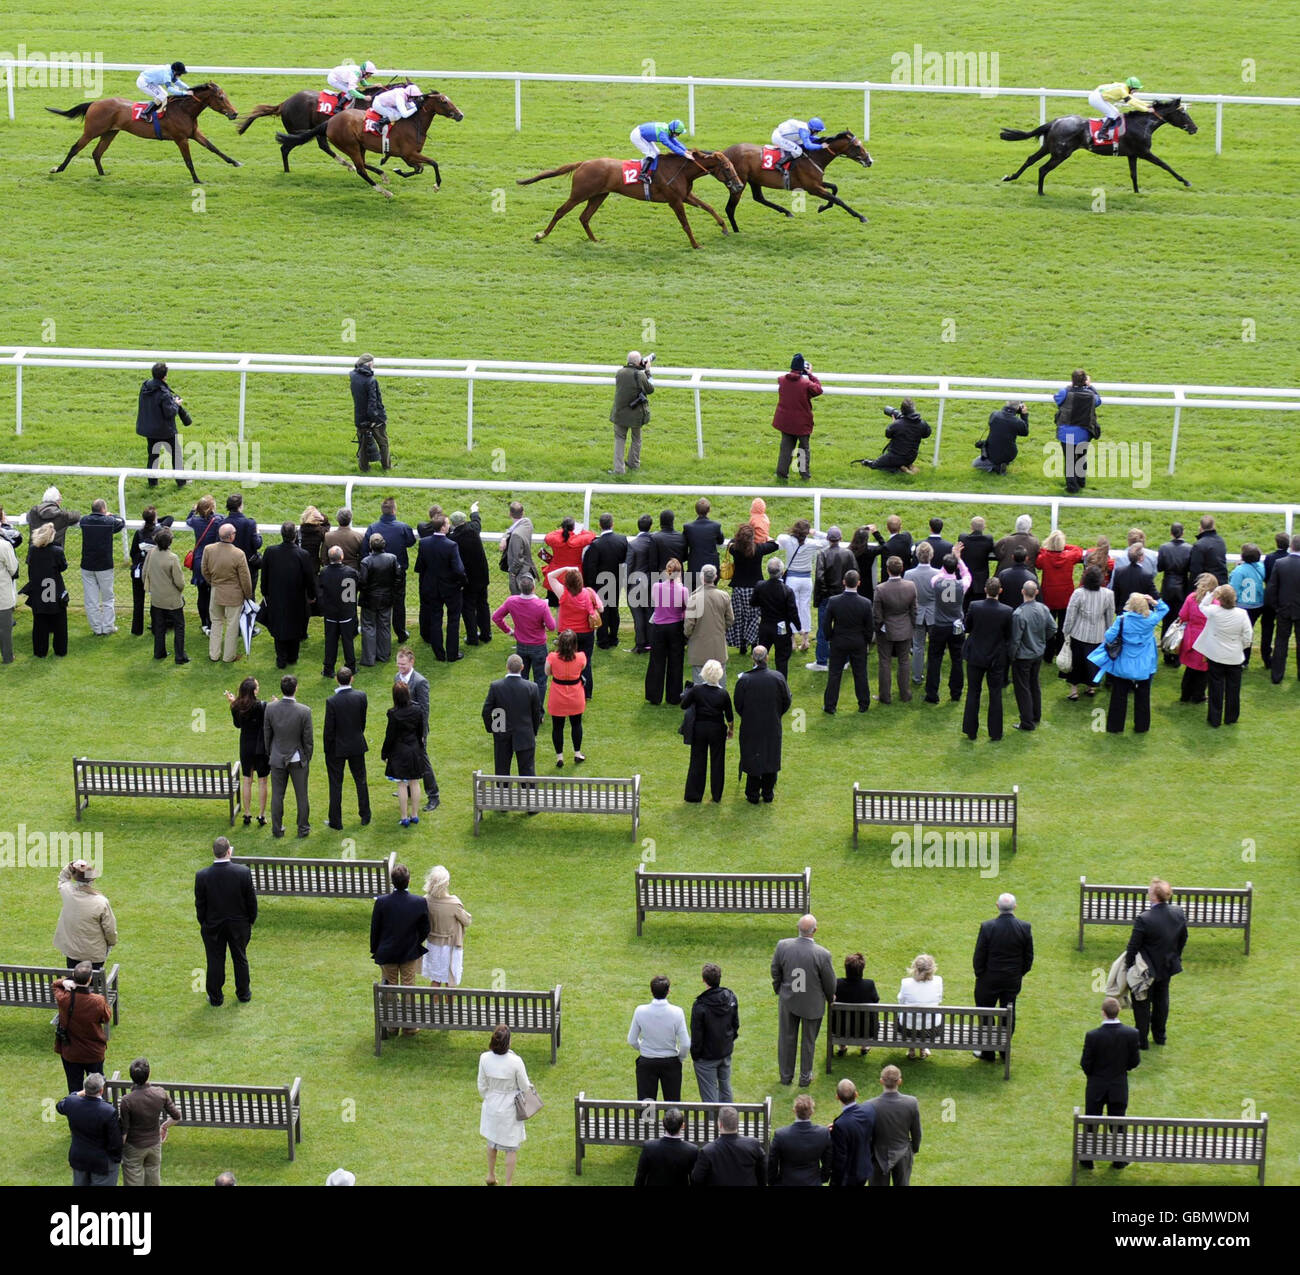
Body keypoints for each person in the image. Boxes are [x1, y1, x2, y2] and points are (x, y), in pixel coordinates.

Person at [1087, 594, 1170, 734]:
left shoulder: (1122, 620)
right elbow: (1164, 609)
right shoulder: (1150, 620)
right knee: (1143, 696)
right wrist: (1153, 601)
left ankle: (1115, 727)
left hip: (1123, 664)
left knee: (1119, 696)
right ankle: (1142, 727)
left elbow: (1109, 636)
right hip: (1144, 665)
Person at [771, 914, 836, 1087]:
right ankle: (805, 1077)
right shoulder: (822, 954)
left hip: (788, 1000)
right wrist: (831, 998)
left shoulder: (783, 946)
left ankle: (785, 1077)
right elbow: (830, 982)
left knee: (786, 1038)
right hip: (812, 1004)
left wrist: (779, 988)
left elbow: (775, 970)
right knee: (808, 1042)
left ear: (798, 928)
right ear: (815, 930)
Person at [1077, 997, 1142, 1170]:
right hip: (1118, 1085)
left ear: (1103, 1013)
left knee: (1092, 1121)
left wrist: (1094, 1076)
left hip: (1096, 1085)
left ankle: (1087, 1159)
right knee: (1118, 1123)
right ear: (1119, 1010)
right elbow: (1134, 1062)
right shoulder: (1131, 1034)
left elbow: (1085, 1063)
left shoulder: (1093, 1036)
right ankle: (1118, 1159)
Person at [1124, 878, 1188, 1050]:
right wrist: (1176, 956)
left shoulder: (1144, 919)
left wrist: (1127, 967)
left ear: (1153, 896)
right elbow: (1183, 938)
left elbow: (1133, 946)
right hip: (1167, 966)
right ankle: (1160, 1036)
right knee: (1162, 1001)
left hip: (1146, 969)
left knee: (1142, 1003)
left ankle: (1142, 1041)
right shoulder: (1178, 913)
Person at [194, 836, 257, 1005]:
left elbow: (200, 905)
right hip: (239, 925)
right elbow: (251, 901)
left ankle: (215, 997)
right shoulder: (243, 872)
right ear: (229, 851)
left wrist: (205, 923)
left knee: (215, 960)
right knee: (240, 958)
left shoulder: (202, 876)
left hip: (213, 926)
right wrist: (250, 920)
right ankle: (243, 994)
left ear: (214, 852)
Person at [972, 893, 1034, 1062]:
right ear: (1015, 907)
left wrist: (980, 974)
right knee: (1009, 1012)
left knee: (986, 1014)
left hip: (988, 979)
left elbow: (979, 955)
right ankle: (1005, 1049)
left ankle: (988, 1051)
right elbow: (1028, 958)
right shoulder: (1024, 927)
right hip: (1011, 980)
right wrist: (1018, 974)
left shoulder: (988, 927)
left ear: (997, 906)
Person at [369, 862, 429, 1016]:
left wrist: (375, 949)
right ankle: (409, 1025)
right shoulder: (419, 902)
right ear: (408, 881)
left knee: (390, 986)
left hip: (387, 952)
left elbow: (375, 928)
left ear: (392, 881)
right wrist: (416, 942)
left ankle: (392, 1025)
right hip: (409, 952)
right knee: (408, 987)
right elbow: (425, 929)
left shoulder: (381, 902)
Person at [734, 646, 791, 804]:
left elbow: (738, 704)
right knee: (770, 755)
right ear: (767, 658)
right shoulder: (778, 677)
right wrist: (776, 714)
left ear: (753, 658)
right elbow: (787, 700)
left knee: (752, 755)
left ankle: (752, 793)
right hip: (772, 723)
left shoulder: (745, 679)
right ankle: (767, 792)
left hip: (751, 724)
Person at [1193, 584, 1254, 727]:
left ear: (1220, 599)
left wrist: (1213, 594)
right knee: (1234, 688)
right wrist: (1241, 647)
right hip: (1234, 656)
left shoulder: (1214, 611)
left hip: (1216, 655)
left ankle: (1215, 718)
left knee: (1215, 687)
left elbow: (1202, 605)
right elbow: (1248, 635)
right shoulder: (1241, 614)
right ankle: (1231, 717)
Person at [478, 1025, 531, 1186]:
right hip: (510, 1107)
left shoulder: (484, 1058)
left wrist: (490, 1097)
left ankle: (491, 1175)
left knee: (492, 1142)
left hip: (492, 1104)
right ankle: (508, 1183)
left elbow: (481, 1085)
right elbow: (525, 1086)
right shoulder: (515, 1061)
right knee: (511, 1147)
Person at [117, 1057, 182, 1187]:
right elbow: (177, 1116)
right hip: (154, 1146)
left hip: (134, 1147)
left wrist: (118, 1150)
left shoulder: (127, 1101)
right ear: (149, 1073)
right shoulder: (160, 1093)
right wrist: (164, 1126)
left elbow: (124, 1131)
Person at [260, 522, 316, 669]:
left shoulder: (271, 552)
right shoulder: (302, 554)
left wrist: (265, 592)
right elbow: (309, 578)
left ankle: (282, 658)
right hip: (296, 597)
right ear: (295, 535)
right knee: (295, 624)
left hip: (276, 596)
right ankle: (292, 656)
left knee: (279, 625)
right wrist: (312, 595)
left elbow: (264, 575)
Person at [492, 574, 556, 702]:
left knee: (521, 679)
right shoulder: (541, 605)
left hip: (521, 646)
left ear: (520, 588)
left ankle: (524, 708)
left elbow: (496, 617)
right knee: (540, 681)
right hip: (539, 647)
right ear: (533, 588)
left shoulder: (511, 601)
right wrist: (542, 623)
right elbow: (552, 626)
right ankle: (538, 712)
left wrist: (509, 631)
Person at [264, 673, 313, 837]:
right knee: (302, 795)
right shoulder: (304, 711)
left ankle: (277, 829)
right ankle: (303, 829)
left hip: (277, 757)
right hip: (298, 758)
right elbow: (308, 740)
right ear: (296, 688)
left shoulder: (270, 708)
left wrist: (270, 753)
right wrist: (307, 757)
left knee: (277, 795)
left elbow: (267, 734)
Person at [628, 974, 690, 1101]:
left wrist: (643, 1049)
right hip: (671, 1062)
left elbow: (632, 1040)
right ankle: (671, 1122)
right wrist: (680, 1057)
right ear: (668, 991)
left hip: (647, 1062)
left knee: (647, 1108)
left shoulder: (640, 1011)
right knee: (672, 1105)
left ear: (651, 991)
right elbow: (685, 1044)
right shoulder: (677, 1012)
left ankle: (647, 1122)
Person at [53, 962, 111, 1093]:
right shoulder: (98, 1001)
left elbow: (55, 985)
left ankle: (77, 1112)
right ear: (90, 979)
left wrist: (64, 982)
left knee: (74, 1089)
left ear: (73, 976)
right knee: (97, 1088)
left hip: (71, 1052)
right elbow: (106, 1018)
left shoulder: (63, 998)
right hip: (93, 1052)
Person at [679, 658, 733, 803]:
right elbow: (729, 716)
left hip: (700, 729)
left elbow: (683, 705)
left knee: (697, 761)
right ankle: (716, 795)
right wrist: (731, 730)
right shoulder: (723, 694)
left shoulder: (697, 690)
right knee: (717, 762)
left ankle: (694, 795)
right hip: (717, 729)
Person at [415, 514, 467, 662]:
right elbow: (458, 569)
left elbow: (420, 566)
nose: (449, 526)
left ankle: (439, 654)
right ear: (443, 527)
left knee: (435, 619)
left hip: (432, 587)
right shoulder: (451, 545)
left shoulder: (424, 543)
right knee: (453, 620)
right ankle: (452, 653)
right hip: (450, 588)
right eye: (448, 524)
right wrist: (462, 582)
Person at [482, 653, 543, 778]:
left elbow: (486, 711)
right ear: (522, 667)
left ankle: (503, 796)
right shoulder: (532, 687)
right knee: (527, 772)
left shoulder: (496, 686)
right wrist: (533, 731)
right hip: (525, 733)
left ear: (507, 667)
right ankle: (528, 796)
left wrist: (493, 728)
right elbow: (536, 713)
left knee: (501, 771)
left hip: (501, 732)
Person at [323, 666, 370, 828]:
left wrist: (327, 750)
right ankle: (365, 816)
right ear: (352, 679)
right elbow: (362, 722)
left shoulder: (332, 701)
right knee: (361, 781)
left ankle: (336, 821)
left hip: (337, 748)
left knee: (336, 784)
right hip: (356, 744)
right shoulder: (361, 696)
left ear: (336, 679)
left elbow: (328, 729)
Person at [546, 567, 603, 699]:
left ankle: (565, 688)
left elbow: (550, 576)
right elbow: (601, 608)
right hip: (586, 633)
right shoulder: (589, 593)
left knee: (565, 660)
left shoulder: (563, 593)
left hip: (567, 634)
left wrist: (566, 568)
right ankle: (587, 692)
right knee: (586, 662)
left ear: (566, 582)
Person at [56, 1074, 121, 1187]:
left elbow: (60, 1105)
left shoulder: (72, 1102)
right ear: (101, 1091)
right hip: (101, 1162)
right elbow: (114, 1142)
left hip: (79, 1158)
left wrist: (79, 1093)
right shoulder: (108, 1111)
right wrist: (116, 1159)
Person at [823, 568, 873, 714]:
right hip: (858, 641)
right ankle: (864, 703)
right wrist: (866, 641)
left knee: (834, 673)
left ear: (844, 582)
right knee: (860, 673)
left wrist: (829, 637)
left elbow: (826, 623)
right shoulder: (865, 603)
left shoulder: (834, 601)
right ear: (858, 583)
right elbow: (870, 626)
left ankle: (830, 705)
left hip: (839, 640)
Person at [201, 522, 253, 663]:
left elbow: (204, 571)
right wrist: (248, 595)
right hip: (233, 594)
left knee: (216, 622)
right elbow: (245, 578)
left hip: (216, 591)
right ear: (231, 536)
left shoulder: (209, 549)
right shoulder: (238, 554)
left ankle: (214, 654)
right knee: (232, 625)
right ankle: (228, 656)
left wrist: (213, 583)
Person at [365, 498, 416, 641]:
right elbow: (411, 542)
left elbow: (364, 549)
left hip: (377, 573)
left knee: (379, 602)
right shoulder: (403, 527)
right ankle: (400, 633)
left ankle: (378, 632)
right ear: (394, 510)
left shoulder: (373, 528)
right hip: (397, 573)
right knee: (399, 603)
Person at [1061, 566, 1115, 700]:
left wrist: (1066, 631)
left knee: (1076, 663)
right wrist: (1109, 633)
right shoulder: (1108, 594)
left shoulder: (1078, 593)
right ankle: (1090, 687)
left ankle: (1074, 691)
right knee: (1093, 663)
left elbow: (1070, 614)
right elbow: (1109, 616)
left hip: (1079, 634)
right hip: (1098, 635)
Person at [1009, 580, 1057, 731]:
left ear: (1022, 592)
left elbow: (1015, 639)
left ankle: (1027, 722)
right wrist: (1042, 642)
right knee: (1034, 685)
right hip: (1038, 653)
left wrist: (1011, 656)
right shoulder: (1043, 608)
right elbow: (1053, 628)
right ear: (1036, 592)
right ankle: (1036, 715)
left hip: (1023, 657)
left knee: (1023, 689)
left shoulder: (1018, 614)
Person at [726, 522, 779, 655]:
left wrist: (737, 538)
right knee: (754, 617)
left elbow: (731, 542)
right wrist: (766, 536)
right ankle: (753, 643)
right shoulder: (759, 549)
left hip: (738, 588)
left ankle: (742, 644)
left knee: (740, 617)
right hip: (755, 589)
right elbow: (775, 545)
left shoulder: (734, 549)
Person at [54, 859, 117, 970]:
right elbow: (110, 930)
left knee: (75, 982)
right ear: (92, 879)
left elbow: (63, 878)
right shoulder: (101, 902)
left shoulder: (68, 892)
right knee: (91, 984)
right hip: (94, 955)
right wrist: (111, 944)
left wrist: (72, 865)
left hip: (72, 952)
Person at [690, 963, 740, 1104]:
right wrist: (728, 1042)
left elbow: (697, 1035)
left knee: (709, 1096)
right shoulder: (730, 997)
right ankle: (728, 1122)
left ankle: (713, 1124)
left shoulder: (700, 1006)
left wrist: (696, 1055)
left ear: (704, 980)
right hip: (724, 1052)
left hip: (707, 1058)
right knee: (725, 1088)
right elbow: (735, 1024)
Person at [926, 550, 970, 703]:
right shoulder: (961, 584)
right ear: (955, 568)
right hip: (956, 627)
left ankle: (932, 694)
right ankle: (956, 693)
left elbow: (939, 575)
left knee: (934, 660)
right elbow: (967, 574)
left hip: (939, 626)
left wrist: (949, 565)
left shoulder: (936, 582)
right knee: (957, 660)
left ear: (943, 567)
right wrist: (959, 560)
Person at [867, 1065, 923, 1187]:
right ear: (899, 1081)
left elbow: (867, 1135)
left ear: (881, 1081)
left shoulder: (869, 1105)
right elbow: (916, 1131)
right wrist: (913, 1149)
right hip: (903, 1153)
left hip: (877, 1156)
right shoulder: (911, 1102)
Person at [225, 677, 269, 826]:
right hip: (260, 746)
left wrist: (232, 703)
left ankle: (247, 813)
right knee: (262, 781)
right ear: (254, 690)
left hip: (246, 746)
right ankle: (262, 815)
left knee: (247, 779)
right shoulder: (262, 706)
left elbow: (238, 725)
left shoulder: (237, 707)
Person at [809, 526, 855, 671]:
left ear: (828, 539)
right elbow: (854, 574)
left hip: (828, 598)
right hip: (843, 596)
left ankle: (821, 661)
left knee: (823, 630)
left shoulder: (823, 554)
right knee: (843, 629)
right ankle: (844, 660)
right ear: (840, 539)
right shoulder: (848, 554)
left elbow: (820, 577)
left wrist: (824, 594)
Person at [874, 555, 918, 704]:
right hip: (905, 629)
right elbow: (914, 610)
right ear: (902, 569)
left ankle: (885, 696)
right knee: (904, 661)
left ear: (887, 570)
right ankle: (905, 694)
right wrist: (911, 625)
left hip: (887, 630)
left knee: (885, 662)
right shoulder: (910, 586)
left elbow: (877, 614)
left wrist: (880, 627)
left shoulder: (881, 589)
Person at [78, 498, 126, 636]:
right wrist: (112, 516)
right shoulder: (108, 521)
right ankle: (108, 626)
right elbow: (121, 522)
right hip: (104, 565)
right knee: (108, 598)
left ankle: (97, 628)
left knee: (91, 599)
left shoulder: (85, 521)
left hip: (87, 565)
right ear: (103, 510)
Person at [382, 681, 426, 826]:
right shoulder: (418, 709)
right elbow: (421, 730)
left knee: (401, 784)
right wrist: (420, 746)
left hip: (399, 751)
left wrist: (384, 753)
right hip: (414, 749)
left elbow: (390, 736)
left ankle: (404, 817)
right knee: (414, 782)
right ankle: (415, 814)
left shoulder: (393, 714)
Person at [1037, 530, 1084, 665]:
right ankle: (1060, 651)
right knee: (1063, 625)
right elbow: (1078, 550)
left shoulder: (1044, 557)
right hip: (1065, 596)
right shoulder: (1069, 557)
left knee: (1048, 626)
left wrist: (1049, 549)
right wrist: (1064, 546)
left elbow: (1038, 561)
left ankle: (1048, 654)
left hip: (1049, 596)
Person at [772, 353, 823, 480]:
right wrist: (810, 374)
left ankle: (781, 474)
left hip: (785, 421)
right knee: (803, 449)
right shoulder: (806, 384)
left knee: (786, 448)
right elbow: (818, 390)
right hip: (802, 423)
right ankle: (804, 474)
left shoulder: (782, 380)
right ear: (802, 369)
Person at [646, 557, 689, 706]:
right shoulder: (683, 590)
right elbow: (686, 608)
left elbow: (654, 602)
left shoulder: (656, 587)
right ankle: (674, 696)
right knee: (675, 662)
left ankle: (654, 695)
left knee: (656, 661)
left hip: (658, 627)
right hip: (675, 627)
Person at [23, 522, 70, 658]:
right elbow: (63, 567)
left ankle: (40, 651)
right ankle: (60, 650)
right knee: (60, 622)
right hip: (54, 589)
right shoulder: (57, 551)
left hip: (38, 589)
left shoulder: (32, 550)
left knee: (39, 622)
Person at [778, 518, 825, 653]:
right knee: (804, 608)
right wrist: (815, 532)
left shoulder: (788, 540)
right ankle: (805, 640)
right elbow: (829, 539)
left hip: (792, 578)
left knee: (791, 608)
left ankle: (792, 641)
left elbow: (780, 537)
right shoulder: (811, 543)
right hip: (806, 579)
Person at [141, 526, 187, 663]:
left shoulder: (151, 553)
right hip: (172, 599)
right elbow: (180, 582)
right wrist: (179, 591)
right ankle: (180, 656)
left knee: (159, 626)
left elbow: (144, 573)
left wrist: (151, 588)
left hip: (156, 597)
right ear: (170, 543)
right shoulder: (172, 558)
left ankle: (159, 652)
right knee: (179, 626)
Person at [684, 564, 734, 686]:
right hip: (718, 645)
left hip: (699, 645)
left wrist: (689, 634)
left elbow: (689, 626)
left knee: (699, 682)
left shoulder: (694, 598)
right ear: (715, 577)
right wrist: (720, 628)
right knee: (720, 680)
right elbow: (730, 619)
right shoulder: (724, 596)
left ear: (702, 577)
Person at [449, 505, 492, 647]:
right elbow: (476, 520)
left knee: (468, 608)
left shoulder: (453, 538)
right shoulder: (473, 528)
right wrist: (474, 510)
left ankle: (472, 637)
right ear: (464, 521)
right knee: (483, 604)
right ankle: (486, 634)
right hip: (482, 576)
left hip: (468, 579)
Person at [691, 1106, 767, 1186]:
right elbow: (762, 1171)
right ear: (737, 1124)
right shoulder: (753, 1144)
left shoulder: (707, 1151)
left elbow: (696, 1178)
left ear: (720, 1124)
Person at [423, 865, 471, 989]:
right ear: (446, 883)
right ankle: (449, 1009)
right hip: (450, 946)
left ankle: (434, 1008)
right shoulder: (453, 903)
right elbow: (467, 921)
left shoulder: (426, 901)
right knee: (451, 980)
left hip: (433, 944)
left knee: (435, 979)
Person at [753, 556, 801, 679]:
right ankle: (782, 684)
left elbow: (753, 602)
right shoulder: (787, 590)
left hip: (765, 626)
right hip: (781, 627)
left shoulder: (760, 586)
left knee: (760, 656)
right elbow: (792, 612)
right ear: (782, 572)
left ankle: (757, 680)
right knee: (782, 659)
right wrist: (798, 627)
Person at [768, 1095, 831, 1186]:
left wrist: (772, 1181)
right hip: (813, 1182)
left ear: (794, 1111)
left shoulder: (781, 1135)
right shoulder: (823, 1133)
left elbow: (772, 1163)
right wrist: (822, 1178)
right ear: (812, 1112)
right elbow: (828, 1161)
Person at [358, 532, 402, 666]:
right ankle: (383, 655)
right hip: (386, 598)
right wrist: (392, 592)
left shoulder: (366, 561)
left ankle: (369, 659)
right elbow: (398, 578)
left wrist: (366, 592)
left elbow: (362, 582)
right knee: (384, 626)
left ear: (370, 546)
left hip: (369, 599)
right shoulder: (392, 558)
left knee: (368, 627)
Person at [1054, 369, 1101, 493]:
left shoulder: (1065, 392)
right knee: (1081, 458)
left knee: (1070, 460)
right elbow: (1098, 401)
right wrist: (1090, 387)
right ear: (1085, 381)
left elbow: (1057, 399)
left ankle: (1072, 487)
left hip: (1067, 433)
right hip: (1084, 432)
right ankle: (1081, 482)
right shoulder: (1091, 395)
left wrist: (1069, 386)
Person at [546, 628, 588, 767]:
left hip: (557, 694)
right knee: (576, 724)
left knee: (557, 727)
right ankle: (577, 753)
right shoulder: (581, 656)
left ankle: (560, 757)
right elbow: (582, 668)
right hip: (576, 693)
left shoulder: (552, 657)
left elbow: (547, 672)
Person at [856, 399, 931, 473]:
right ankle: (906, 465)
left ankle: (900, 470)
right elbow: (926, 434)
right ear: (913, 410)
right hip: (911, 457)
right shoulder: (922, 423)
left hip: (895, 457)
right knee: (897, 460)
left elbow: (888, 435)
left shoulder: (897, 424)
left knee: (875, 465)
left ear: (902, 410)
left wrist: (894, 423)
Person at [1177, 573, 1218, 703]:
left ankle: (1185, 695)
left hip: (1191, 637)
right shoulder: (1215, 603)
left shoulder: (1191, 598)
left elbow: (1183, 615)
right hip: (1206, 638)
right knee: (1203, 670)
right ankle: (1198, 696)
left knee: (1190, 668)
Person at [609, 351, 653, 474]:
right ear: (639, 362)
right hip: (636, 413)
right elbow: (650, 389)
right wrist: (647, 371)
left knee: (619, 439)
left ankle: (619, 469)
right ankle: (634, 463)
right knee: (636, 438)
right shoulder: (640, 375)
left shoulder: (619, 373)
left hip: (620, 412)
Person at [828, 1078, 875, 1188]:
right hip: (865, 1168)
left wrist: (834, 1182)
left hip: (850, 1176)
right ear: (856, 1094)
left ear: (837, 1097)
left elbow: (840, 1158)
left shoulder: (840, 1125)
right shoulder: (869, 1109)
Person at [634, 1108, 699, 1186]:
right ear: (683, 1126)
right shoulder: (691, 1150)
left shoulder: (649, 1147)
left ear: (663, 1124)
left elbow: (640, 1177)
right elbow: (695, 1179)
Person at [1265, 535, 1300, 683]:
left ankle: (1277, 676)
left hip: (1283, 609)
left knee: (1280, 643)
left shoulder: (1280, 563)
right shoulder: (1280, 563)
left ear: (1291, 546)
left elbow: (1271, 588)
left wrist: (1276, 607)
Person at [1156, 523, 1193, 662]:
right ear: (1182, 533)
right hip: (1182, 587)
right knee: (1180, 620)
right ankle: (1176, 654)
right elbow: (1191, 568)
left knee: (1166, 619)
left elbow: (1159, 568)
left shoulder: (1164, 548)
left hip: (1167, 587)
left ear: (1171, 533)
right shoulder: (1189, 548)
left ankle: (1166, 653)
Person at [184, 494, 220, 634]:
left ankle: (204, 624)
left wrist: (193, 510)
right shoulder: (217, 522)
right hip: (212, 561)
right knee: (212, 595)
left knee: (202, 595)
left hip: (199, 561)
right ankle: (211, 624)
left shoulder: (196, 522)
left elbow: (188, 519)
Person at [904, 542, 939, 685]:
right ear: (931, 555)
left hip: (917, 614)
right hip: (933, 615)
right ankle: (931, 677)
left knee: (918, 647)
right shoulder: (938, 574)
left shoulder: (909, 574)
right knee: (934, 648)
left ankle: (917, 677)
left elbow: (906, 596)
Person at [833, 952, 880, 1058]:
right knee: (866, 1019)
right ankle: (864, 1046)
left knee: (843, 1018)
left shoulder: (838, 983)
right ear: (862, 969)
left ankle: (842, 1047)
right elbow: (876, 1000)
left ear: (846, 968)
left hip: (840, 1029)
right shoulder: (869, 985)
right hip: (865, 1030)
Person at [898, 954, 943, 1060]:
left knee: (903, 1018)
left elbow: (901, 1001)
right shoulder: (938, 981)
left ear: (915, 967)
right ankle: (922, 1049)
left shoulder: (906, 983)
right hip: (931, 1030)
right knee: (929, 1019)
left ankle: (912, 1050)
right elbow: (939, 999)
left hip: (908, 1029)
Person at [541, 516, 596, 601]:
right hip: (574, 575)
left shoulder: (555, 538)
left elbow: (548, 536)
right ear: (573, 527)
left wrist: (561, 531)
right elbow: (591, 535)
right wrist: (580, 530)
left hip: (556, 574)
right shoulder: (579, 539)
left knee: (554, 603)